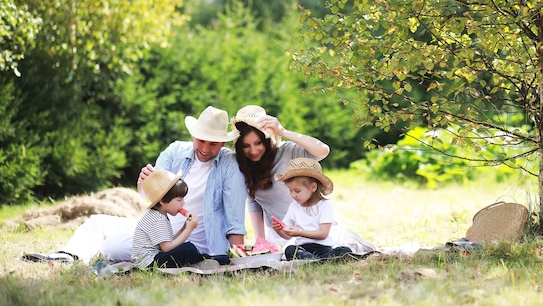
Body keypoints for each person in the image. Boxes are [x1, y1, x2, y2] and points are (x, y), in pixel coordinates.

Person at [22, 105, 246, 265]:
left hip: (192, 244)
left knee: (113, 247)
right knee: (97, 223)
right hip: (156, 233)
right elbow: (149, 200)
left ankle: (97, 255)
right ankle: (67, 256)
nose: (206, 148)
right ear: (193, 135)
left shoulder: (228, 164)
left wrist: (236, 259)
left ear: (224, 142)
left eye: (213, 143)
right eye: (201, 140)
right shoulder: (175, 151)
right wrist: (144, 184)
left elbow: (235, 221)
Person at [230, 105, 330, 243]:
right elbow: (254, 201)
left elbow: (322, 150)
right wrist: (260, 240)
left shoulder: (287, 151)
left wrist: (283, 131)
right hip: (279, 234)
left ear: (267, 139)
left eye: (258, 143)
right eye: (246, 146)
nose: (253, 151)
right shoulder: (243, 163)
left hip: (311, 229)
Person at [271, 158, 352, 260]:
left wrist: (300, 232)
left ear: (313, 187)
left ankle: (314, 260)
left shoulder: (325, 205)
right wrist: (279, 230)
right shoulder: (294, 207)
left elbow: (323, 234)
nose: (293, 195)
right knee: (290, 250)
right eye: (290, 190)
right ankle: (317, 261)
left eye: (297, 191)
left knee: (345, 250)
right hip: (303, 249)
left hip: (324, 249)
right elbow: (288, 236)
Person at [132, 170, 204, 269]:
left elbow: (169, 241)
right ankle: (206, 260)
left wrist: (184, 228)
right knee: (188, 248)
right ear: (162, 201)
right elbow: (167, 248)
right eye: (179, 200)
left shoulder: (158, 215)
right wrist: (189, 229)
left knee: (187, 248)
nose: (183, 203)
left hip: (152, 259)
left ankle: (207, 259)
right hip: (149, 263)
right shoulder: (158, 219)